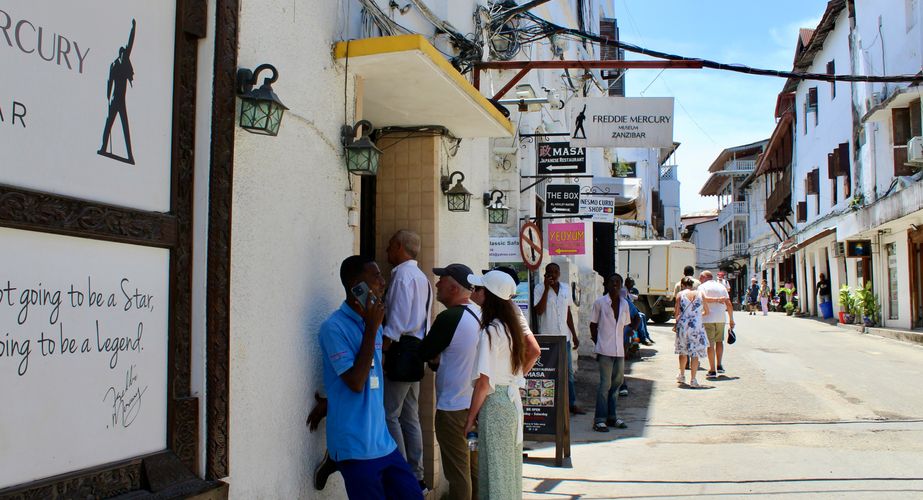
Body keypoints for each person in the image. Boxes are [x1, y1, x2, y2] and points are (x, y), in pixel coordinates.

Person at [318, 256, 422, 499]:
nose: (383, 282)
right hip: (355, 447)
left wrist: (330, 402)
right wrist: (372, 329)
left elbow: (373, 374)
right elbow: (356, 382)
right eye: (376, 276)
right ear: (356, 286)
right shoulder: (333, 327)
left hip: (382, 442)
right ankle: (334, 458)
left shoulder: (372, 323)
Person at [464, 271, 541, 500]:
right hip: (510, 402)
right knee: (507, 473)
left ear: (489, 296)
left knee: (495, 475)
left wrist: (470, 418)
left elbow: (484, 382)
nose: (474, 292)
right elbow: (532, 353)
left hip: (495, 404)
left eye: (479, 289)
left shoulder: (491, 331)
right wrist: (514, 381)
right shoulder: (510, 327)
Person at [417, 264, 481, 500]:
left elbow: (423, 352)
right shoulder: (479, 314)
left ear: (454, 288)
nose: (437, 285)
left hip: (453, 410)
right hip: (475, 406)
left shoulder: (450, 318)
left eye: (441, 281)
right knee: (473, 469)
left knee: (458, 474)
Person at [382, 230, 432, 491]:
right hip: (416, 350)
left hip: (401, 349)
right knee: (410, 415)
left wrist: (383, 349)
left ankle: (402, 475)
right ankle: (416, 475)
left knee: (389, 414)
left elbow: (397, 320)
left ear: (400, 246)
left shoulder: (402, 276)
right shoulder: (421, 277)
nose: (387, 250)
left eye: (390, 244)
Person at [589, 273, 640, 432]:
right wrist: (598, 341)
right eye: (612, 282)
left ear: (621, 285)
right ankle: (599, 419)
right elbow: (593, 325)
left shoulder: (624, 304)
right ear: (607, 285)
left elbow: (627, 324)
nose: (615, 285)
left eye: (618, 282)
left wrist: (629, 337)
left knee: (616, 384)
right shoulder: (600, 303)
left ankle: (612, 416)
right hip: (605, 350)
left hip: (619, 350)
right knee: (605, 385)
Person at [533, 263, 584, 415]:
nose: (553, 275)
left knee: (568, 372)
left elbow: (568, 313)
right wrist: (546, 289)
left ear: (559, 273)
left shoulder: (565, 289)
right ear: (545, 274)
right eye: (550, 272)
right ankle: (549, 405)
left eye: (555, 272)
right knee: (549, 371)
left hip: (564, 337)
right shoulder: (539, 289)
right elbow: (539, 311)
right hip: (548, 337)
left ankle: (571, 403)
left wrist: (574, 335)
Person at [98, 19, 136, 164]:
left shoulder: (125, 61)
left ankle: (130, 155)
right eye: (123, 55)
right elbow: (109, 81)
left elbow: (130, 43)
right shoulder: (114, 65)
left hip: (122, 101)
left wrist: (133, 28)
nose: (125, 56)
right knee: (109, 124)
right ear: (119, 55)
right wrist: (107, 97)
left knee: (125, 127)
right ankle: (103, 147)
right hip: (115, 100)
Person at [673, 277, 710, 387]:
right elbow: (707, 311)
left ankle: (682, 374)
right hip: (696, 326)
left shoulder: (680, 294)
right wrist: (696, 316)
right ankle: (693, 380)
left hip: (683, 325)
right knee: (695, 353)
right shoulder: (700, 294)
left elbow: (676, 313)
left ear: (682, 285)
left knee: (683, 352)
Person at [699, 271, 735, 380]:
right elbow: (729, 304)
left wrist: (715, 300)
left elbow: (703, 299)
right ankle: (719, 364)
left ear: (704, 277)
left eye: (700, 278)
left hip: (707, 318)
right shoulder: (721, 287)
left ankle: (712, 369)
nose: (700, 280)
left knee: (710, 344)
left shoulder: (702, 287)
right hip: (721, 317)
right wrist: (731, 319)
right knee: (719, 341)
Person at [624, 277, 653, 346]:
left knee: (643, 315)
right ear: (627, 283)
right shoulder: (624, 292)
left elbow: (631, 297)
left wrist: (636, 297)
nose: (632, 286)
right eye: (631, 284)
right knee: (639, 317)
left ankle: (646, 336)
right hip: (626, 314)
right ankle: (643, 338)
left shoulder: (627, 291)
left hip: (629, 313)